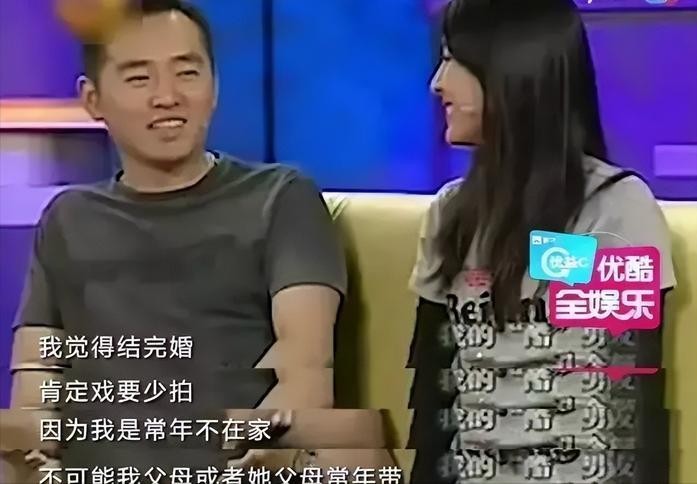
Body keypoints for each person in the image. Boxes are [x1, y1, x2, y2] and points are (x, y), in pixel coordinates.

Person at [9, 0, 391, 480]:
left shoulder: (280, 198)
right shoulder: (68, 219)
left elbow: (307, 372)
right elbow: (36, 378)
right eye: (139, 78)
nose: (167, 97)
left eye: (187, 73)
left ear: (214, 87)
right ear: (93, 99)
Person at [407, 0, 676, 483]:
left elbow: (628, 421)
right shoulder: (450, 214)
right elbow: (433, 410)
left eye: (452, 59)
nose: (437, 83)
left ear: (511, 70)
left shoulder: (614, 210)